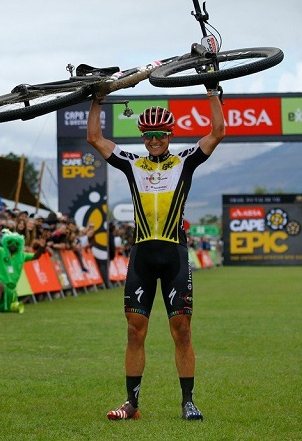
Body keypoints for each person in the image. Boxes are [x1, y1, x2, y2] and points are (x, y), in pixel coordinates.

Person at [87, 82, 225, 422]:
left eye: (160, 134)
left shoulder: (185, 160)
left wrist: (212, 92)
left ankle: (188, 402)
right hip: (142, 257)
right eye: (149, 135)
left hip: (174, 254)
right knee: (135, 331)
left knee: (182, 331)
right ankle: (131, 404)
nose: (154, 140)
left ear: (170, 135)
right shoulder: (132, 163)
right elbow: (94, 138)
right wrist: (98, 99)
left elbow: (217, 132)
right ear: (143, 137)